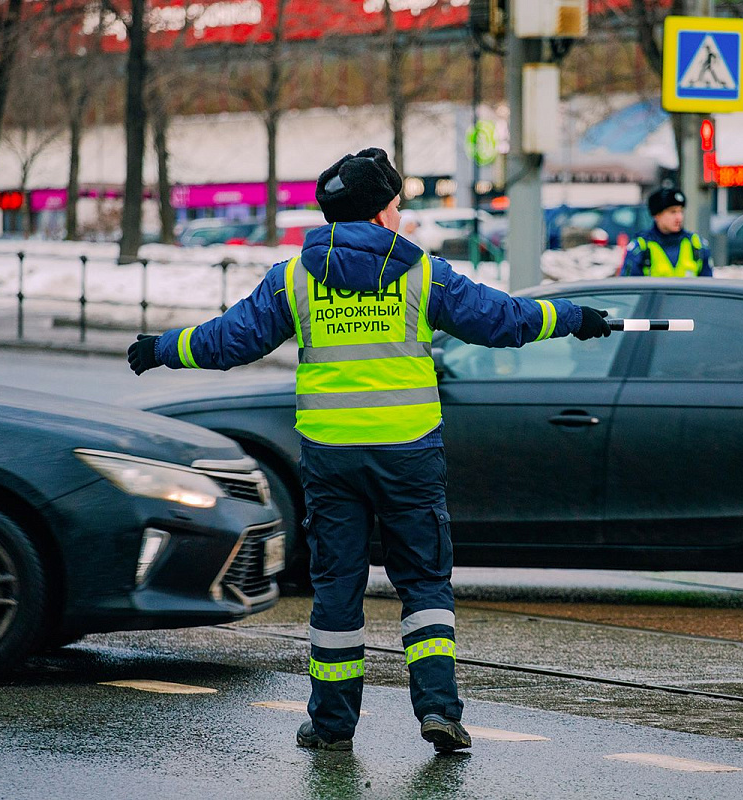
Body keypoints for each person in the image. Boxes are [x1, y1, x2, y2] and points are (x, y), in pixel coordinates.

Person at [126, 147, 611, 753]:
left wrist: (163, 349)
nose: (401, 216)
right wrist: (573, 317)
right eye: (398, 206)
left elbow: (232, 340)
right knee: (425, 582)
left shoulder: (295, 277)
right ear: (382, 214)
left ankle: (331, 724)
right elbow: (503, 321)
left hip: (332, 458)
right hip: (408, 455)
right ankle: (438, 711)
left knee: (336, 588)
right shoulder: (423, 273)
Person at [620, 186, 713, 278]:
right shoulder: (640, 248)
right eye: (673, 212)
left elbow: (709, 287)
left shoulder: (697, 245)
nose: (679, 217)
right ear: (657, 215)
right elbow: (629, 288)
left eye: (681, 211)